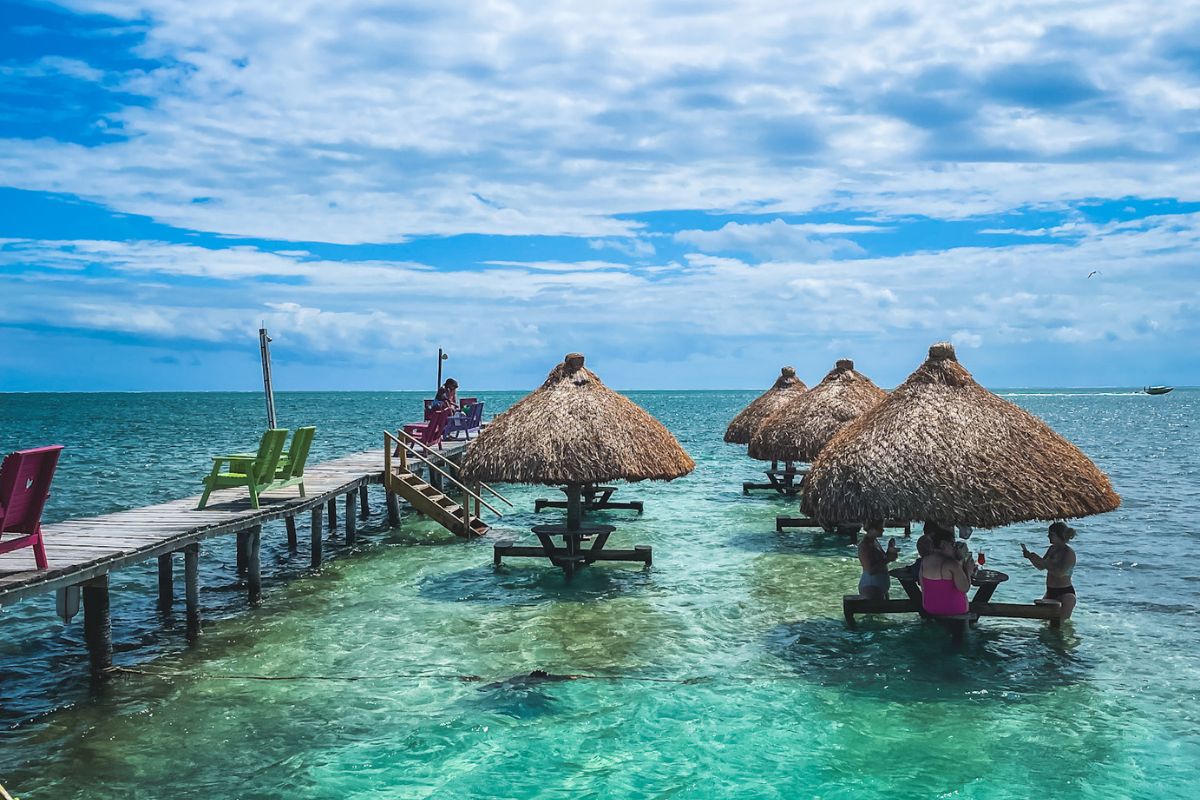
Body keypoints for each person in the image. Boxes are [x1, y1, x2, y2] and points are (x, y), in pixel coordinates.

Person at [1022, 521, 1078, 619]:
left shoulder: (1068, 553)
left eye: (1051, 534)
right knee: (1044, 622)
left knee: (1059, 625)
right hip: (1050, 591)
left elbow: (1060, 573)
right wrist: (1030, 557)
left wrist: (1043, 562)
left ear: (1060, 535)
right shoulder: (1052, 549)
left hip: (1065, 593)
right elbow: (1041, 567)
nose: (1048, 537)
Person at [919, 529, 970, 617]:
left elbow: (922, 584)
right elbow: (964, 588)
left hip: (929, 607)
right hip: (955, 609)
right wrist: (968, 571)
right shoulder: (952, 564)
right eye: (952, 544)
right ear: (943, 544)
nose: (954, 548)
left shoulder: (925, 560)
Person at [857, 520, 898, 600]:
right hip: (871, 587)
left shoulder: (874, 541)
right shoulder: (864, 546)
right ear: (871, 529)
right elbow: (871, 570)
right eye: (880, 528)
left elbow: (880, 561)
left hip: (878, 586)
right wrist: (888, 559)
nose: (883, 530)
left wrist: (889, 550)